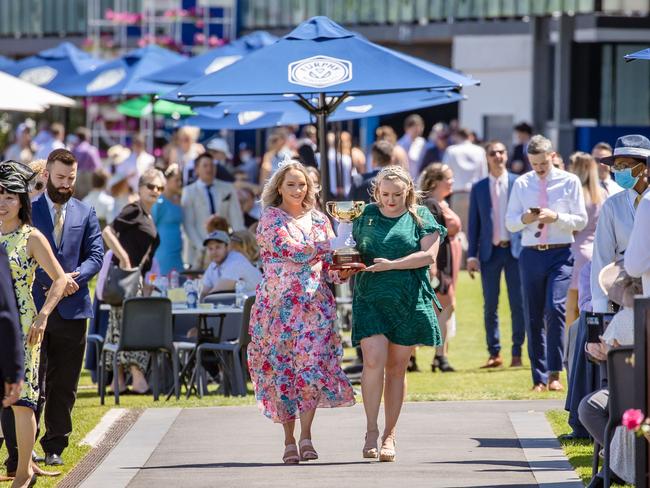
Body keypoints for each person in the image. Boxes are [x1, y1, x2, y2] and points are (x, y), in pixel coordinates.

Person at [247, 161, 355, 464]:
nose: (298, 189)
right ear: (279, 187)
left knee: (310, 372)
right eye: (292, 184)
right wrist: (328, 246)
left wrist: (344, 270)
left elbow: (330, 266)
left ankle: (306, 437)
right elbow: (290, 249)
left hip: (314, 309)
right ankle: (288, 440)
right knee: (283, 374)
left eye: (303, 184)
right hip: (277, 310)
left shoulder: (321, 220)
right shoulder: (271, 219)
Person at [352, 165, 446, 462]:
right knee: (373, 359)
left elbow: (429, 256)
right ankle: (370, 430)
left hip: (409, 298)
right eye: (384, 194)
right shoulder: (363, 214)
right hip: (370, 298)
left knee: (396, 368)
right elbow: (347, 249)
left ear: (408, 191)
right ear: (376, 191)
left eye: (397, 194)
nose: (390, 200)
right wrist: (342, 267)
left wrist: (391, 264)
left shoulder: (421, 215)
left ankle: (389, 434)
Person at [28, 149, 104, 468]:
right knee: (35, 381)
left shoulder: (85, 212)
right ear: (46, 174)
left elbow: (96, 254)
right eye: (60, 178)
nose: (65, 184)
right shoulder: (29, 211)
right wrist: (54, 278)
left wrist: (75, 277)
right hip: (36, 306)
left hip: (73, 309)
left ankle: (55, 444)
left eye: (71, 179)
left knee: (65, 384)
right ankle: (25, 442)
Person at [0, 160, 67, 488]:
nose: (3, 202)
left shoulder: (31, 237)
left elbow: (60, 279)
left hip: (21, 324)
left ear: (22, 201)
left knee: (22, 400)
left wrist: (43, 316)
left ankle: (24, 469)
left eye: (10, 195)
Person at [505, 135, 587, 392]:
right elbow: (511, 223)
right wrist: (526, 218)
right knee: (534, 314)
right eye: (534, 163)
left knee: (555, 308)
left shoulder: (569, 181)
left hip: (560, 254)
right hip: (531, 253)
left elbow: (581, 220)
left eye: (542, 163)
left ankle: (555, 373)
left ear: (552, 157)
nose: (538, 168)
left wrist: (557, 217)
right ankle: (538, 378)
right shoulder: (522, 183)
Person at [101, 169, 164, 394]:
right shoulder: (134, 209)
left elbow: (146, 256)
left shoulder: (147, 216)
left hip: (136, 278)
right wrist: (124, 257)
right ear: (140, 187)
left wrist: (147, 282)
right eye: (151, 186)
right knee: (130, 326)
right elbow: (108, 232)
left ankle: (118, 381)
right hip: (124, 275)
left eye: (159, 188)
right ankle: (137, 379)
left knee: (117, 327)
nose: (155, 191)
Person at [466, 140, 525, 369]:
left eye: (501, 152)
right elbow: (474, 224)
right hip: (490, 253)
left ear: (507, 155)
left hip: (514, 251)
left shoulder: (518, 183)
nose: (498, 156)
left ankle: (517, 352)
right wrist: (471, 255)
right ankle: (494, 352)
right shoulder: (479, 187)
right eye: (493, 153)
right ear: (487, 157)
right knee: (490, 304)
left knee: (518, 304)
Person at [591, 134, 650, 314]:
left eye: (624, 166)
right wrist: (601, 308)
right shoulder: (612, 205)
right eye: (616, 167)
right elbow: (602, 256)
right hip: (624, 297)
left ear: (644, 168)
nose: (618, 171)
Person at [419, 163, 461, 373]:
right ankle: (438, 356)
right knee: (442, 306)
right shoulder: (431, 205)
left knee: (442, 307)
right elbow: (430, 236)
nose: (452, 182)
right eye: (448, 178)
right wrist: (431, 267)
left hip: (447, 261)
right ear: (436, 182)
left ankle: (437, 355)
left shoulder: (441, 203)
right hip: (438, 262)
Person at [182, 153, 244, 270]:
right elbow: (188, 225)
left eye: (212, 165)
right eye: (205, 165)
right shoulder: (188, 192)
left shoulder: (228, 188)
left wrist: (236, 244)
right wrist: (205, 247)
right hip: (198, 254)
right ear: (196, 170)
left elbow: (237, 220)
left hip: (226, 251)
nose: (209, 169)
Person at [566, 152, 605, 326]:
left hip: (574, 252)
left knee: (570, 308)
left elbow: (572, 228)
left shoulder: (576, 194)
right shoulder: (602, 194)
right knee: (587, 308)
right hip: (593, 254)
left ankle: (568, 349)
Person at [442, 127, 487, 226]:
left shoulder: (451, 150)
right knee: (473, 227)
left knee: (458, 227)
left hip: (457, 193)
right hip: (475, 194)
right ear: (470, 136)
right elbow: (484, 175)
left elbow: (444, 172)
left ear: (458, 136)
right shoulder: (480, 150)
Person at [199, 230, 262, 299]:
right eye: (210, 248)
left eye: (218, 247)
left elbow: (215, 294)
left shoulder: (236, 260)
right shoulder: (214, 264)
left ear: (227, 247)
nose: (214, 252)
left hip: (258, 304)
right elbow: (204, 293)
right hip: (242, 306)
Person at [152, 164, 184, 276]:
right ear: (166, 181)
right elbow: (151, 226)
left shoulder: (178, 200)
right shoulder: (159, 202)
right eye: (176, 180)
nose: (180, 183)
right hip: (163, 250)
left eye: (181, 180)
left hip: (177, 249)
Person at [71, 127, 102, 200]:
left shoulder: (74, 149)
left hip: (77, 175)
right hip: (89, 176)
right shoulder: (91, 149)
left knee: (78, 199)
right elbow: (98, 166)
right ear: (87, 137)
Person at [397, 114, 426, 179]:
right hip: (405, 179)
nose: (418, 130)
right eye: (415, 127)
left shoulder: (422, 142)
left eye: (420, 126)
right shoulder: (400, 144)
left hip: (419, 180)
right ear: (407, 128)